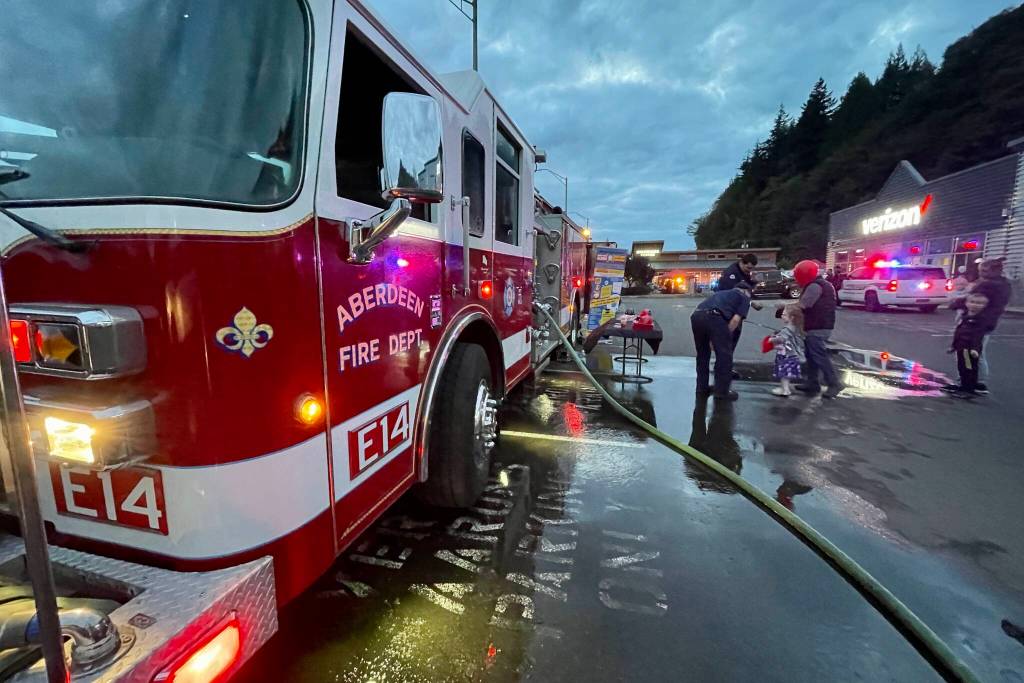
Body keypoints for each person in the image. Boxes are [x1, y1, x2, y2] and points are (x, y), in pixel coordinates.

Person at [949, 257, 1011, 394]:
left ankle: (970, 383)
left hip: (976, 322)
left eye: (984, 270)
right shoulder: (1003, 284)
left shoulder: (988, 285)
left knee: (968, 354)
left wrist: (955, 304)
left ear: (994, 270)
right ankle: (975, 382)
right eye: (980, 270)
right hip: (986, 322)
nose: (981, 273)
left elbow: (974, 299)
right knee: (975, 353)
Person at [790, 260, 843, 399]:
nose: (796, 279)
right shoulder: (822, 284)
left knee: (819, 355)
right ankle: (812, 382)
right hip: (819, 324)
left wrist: (783, 309)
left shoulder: (814, 286)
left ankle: (833, 383)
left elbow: (803, 305)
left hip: (818, 326)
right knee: (811, 354)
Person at [690, 281, 752, 401]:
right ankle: (722, 392)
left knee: (702, 355)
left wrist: (714, 337)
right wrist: (723, 337)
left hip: (696, 316)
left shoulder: (722, 293)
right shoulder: (744, 297)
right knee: (724, 356)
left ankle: (701, 388)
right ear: (746, 291)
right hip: (715, 317)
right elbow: (735, 320)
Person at [717, 253, 763, 359]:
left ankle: (727, 362)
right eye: (748, 268)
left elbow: (747, 288)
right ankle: (723, 363)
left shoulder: (745, 273)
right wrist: (751, 303)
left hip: (737, 309)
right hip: (727, 311)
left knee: (733, 339)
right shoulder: (731, 273)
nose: (749, 271)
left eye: (751, 268)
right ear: (742, 263)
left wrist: (754, 283)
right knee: (728, 338)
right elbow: (732, 294)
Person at [945, 292, 989, 398]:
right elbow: (959, 333)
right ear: (967, 303)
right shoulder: (965, 317)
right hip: (961, 347)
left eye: (979, 303)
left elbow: (978, 336)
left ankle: (968, 389)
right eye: (972, 302)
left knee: (969, 369)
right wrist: (953, 346)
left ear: (985, 306)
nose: (975, 305)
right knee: (962, 367)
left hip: (969, 349)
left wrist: (974, 349)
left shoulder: (981, 319)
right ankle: (963, 385)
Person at [768, 304, 805, 396]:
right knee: (786, 374)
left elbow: (782, 339)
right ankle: (784, 388)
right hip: (792, 355)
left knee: (784, 374)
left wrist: (772, 339)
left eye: (784, 315)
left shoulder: (787, 329)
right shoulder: (794, 327)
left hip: (787, 355)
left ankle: (785, 390)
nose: (782, 316)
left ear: (792, 317)